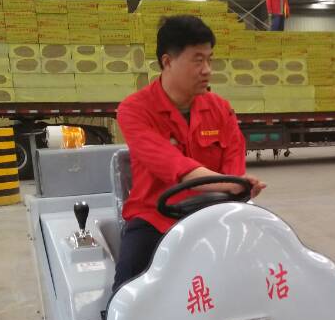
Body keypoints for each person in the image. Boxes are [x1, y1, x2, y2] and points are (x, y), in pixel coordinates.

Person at [113, 15, 266, 291]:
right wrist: (231, 184)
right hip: (154, 220)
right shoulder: (134, 110)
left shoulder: (221, 109)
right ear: (167, 62)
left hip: (214, 217)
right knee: (129, 288)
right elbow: (172, 164)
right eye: (198, 60)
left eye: (209, 59)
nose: (207, 70)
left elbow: (233, 167)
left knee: (257, 276)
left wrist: (238, 186)